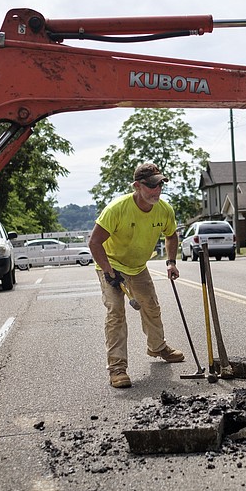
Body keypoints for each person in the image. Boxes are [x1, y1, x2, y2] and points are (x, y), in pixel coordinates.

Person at [88, 163, 185, 388]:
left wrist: (171, 262)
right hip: (111, 263)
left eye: (160, 184)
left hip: (138, 266)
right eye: (151, 186)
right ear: (137, 186)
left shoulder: (164, 209)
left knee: (151, 306)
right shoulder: (117, 209)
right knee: (116, 313)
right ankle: (117, 368)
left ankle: (157, 347)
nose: (156, 191)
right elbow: (94, 242)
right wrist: (109, 272)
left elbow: (171, 236)